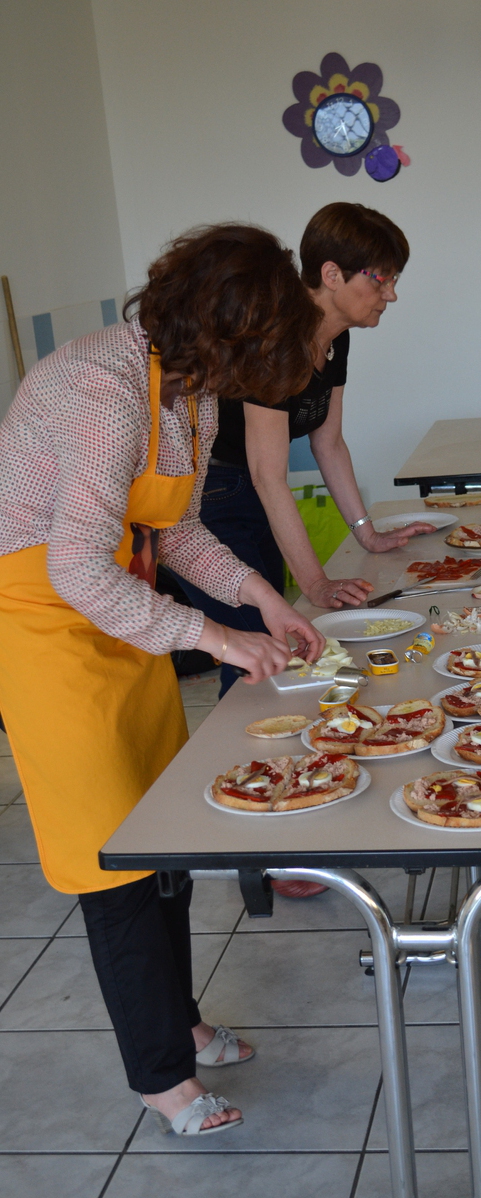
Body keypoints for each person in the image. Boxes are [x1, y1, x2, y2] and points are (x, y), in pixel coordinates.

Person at [0, 224, 327, 1135]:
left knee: (162, 838)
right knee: (110, 858)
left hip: (123, 604)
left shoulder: (190, 393)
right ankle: (159, 1077)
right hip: (44, 624)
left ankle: (179, 1021)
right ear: (223, 331)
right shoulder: (101, 392)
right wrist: (213, 638)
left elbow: (174, 530)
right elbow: (73, 569)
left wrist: (262, 599)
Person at [176, 203, 436, 698]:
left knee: (276, 645)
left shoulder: (336, 339)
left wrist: (368, 534)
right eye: (381, 280)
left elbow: (328, 441)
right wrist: (315, 583)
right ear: (332, 275)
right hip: (212, 497)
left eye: (394, 280)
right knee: (259, 647)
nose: (391, 294)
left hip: (250, 492)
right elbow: (267, 473)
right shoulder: (275, 337)